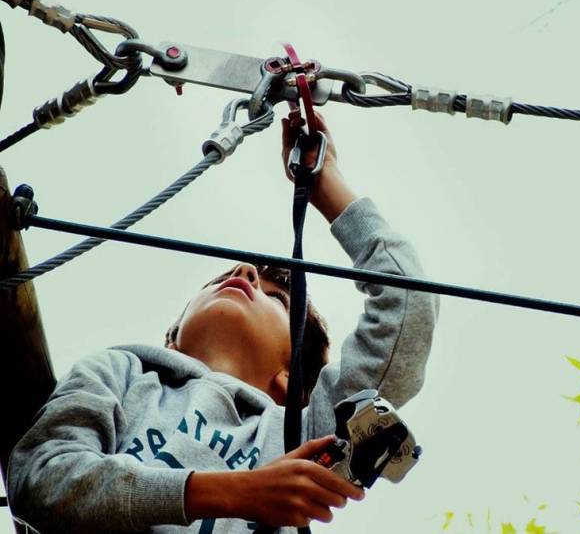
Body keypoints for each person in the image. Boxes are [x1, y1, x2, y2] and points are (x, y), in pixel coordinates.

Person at [7, 111, 441, 533]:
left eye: (277, 297)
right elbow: (41, 477)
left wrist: (326, 185)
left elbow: (408, 305)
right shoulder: (121, 373)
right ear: (174, 339)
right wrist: (230, 492)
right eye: (223, 276)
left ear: (289, 380)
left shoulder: (301, 432)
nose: (245, 272)